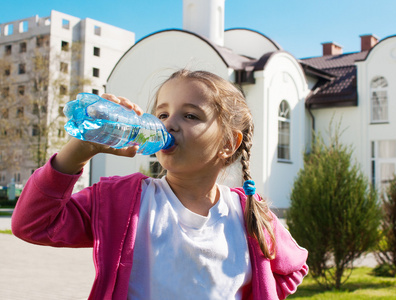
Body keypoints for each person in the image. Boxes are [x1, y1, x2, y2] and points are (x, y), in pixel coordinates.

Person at [12, 69, 308, 300]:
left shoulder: (247, 215)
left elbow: (292, 268)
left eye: (190, 115)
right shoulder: (124, 201)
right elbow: (34, 223)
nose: (168, 124)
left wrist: (260, 289)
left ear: (229, 143)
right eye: (163, 114)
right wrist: (78, 151)